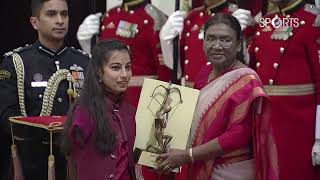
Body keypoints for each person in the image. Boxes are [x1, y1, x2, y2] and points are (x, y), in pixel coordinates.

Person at [156, 13, 267, 180]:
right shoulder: (203, 74)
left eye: (226, 40)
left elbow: (238, 135)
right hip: (199, 164)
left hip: (230, 170)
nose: (217, 45)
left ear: (238, 45)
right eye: (211, 39)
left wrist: (188, 155)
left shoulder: (247, 80)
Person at [0, 0, 89, 179]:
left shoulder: (84, 62)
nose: (59, 20)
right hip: (33, 162)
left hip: (77, 161)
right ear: (35, 22)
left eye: (64, 14)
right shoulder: (17, 63)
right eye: (51, 14)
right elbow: (6, 117)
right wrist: (49, 134)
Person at [248, 0, 320, 179]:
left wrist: (319, 136)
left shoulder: (313, 21)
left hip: (301, 126)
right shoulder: (267, 21)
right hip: (265, 120)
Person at [61, 39, 136, 180]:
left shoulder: (130, 111)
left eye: (128, 67)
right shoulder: (84, 111)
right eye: (115, 68)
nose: (125, 74)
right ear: (99, 72)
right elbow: (74, 159)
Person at [76, 0, 171, 108]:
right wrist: (87, 46)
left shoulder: (155, 17)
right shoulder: (109, 16)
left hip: (140, 102)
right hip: (105, 101)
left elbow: (165, 71)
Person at [159, 0, 255, 88]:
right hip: (191, 93)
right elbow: (178, 66)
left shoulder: (240, 16)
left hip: (221, 93)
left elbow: (248, 61)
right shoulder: (193, 17)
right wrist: (167, 42)